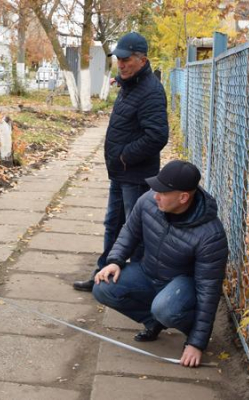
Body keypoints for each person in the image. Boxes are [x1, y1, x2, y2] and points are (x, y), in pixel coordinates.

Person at [91, 160, 229, 367]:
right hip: (148, 273)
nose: (155, 195)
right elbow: (129, 232)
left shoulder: (211, 235)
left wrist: (196, 342)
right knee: (103, 288)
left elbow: (209, 291)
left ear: (183, 198)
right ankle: (153, 321)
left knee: (166, 308)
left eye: (163, 192)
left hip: (181, 288)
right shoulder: (149, 201)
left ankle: (183, 327)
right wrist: (115, 260)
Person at [72, 32, 169, 292]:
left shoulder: (150, 91)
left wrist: (125, 156)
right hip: (120, 173)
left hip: (136, 176)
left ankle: (137, 287)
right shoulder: (130, 85)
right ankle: (102, 274)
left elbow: (157, 136)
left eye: (126, 60)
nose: (121, 64)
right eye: (119, 59)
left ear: (142, 60)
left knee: (136, 232)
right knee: (113, 225)